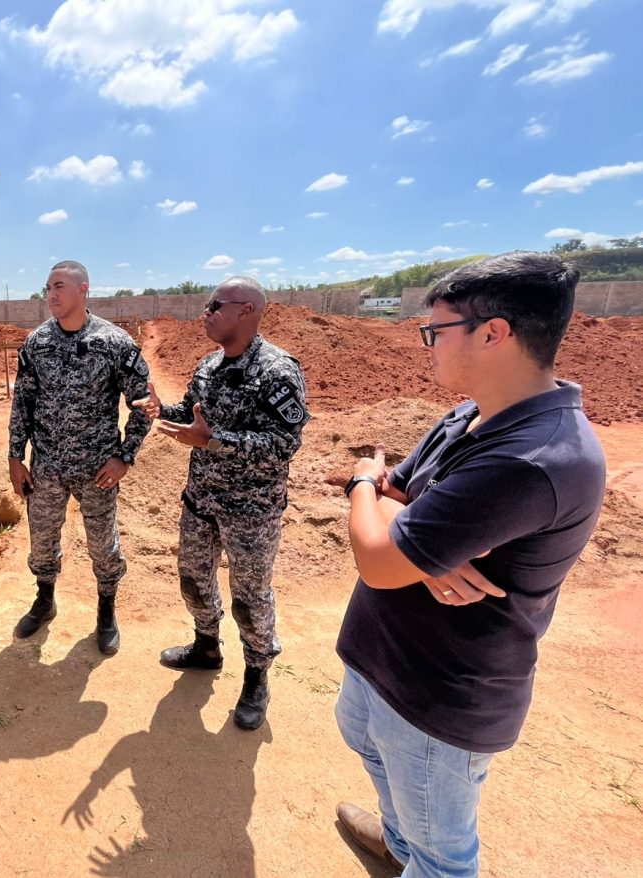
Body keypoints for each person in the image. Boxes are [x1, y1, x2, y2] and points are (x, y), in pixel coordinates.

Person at [334, 252, 606, 877]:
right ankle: (399, 845)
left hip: (439, 694)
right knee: (371, 751)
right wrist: (417, 542)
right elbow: (400, 495)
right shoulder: (472, 415)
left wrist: (360, 483)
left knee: (445, 857)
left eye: (436, 330)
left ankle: (417, 856)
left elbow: (376, 553)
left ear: (493, 333)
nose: (427, 344)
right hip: (390, 659)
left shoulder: (532, 458)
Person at [136, 277, 308, 730]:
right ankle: (206, 647)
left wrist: (214, 441)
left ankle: (256, 677)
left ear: (246, 310)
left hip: (251, 511)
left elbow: (284, 444)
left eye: (215, 305)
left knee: (250, 599)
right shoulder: (209, 366)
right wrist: (161, 409)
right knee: (194, 581)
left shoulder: (277, 371)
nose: (206, 313)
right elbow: (193, 414)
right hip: (201, 502)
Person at [8, 260, 152, 654]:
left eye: (59, 286)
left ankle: (106, 611)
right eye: (48, 287)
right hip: (47, 465)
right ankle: (44, 600)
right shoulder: (36, 343)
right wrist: (15, 456)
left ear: (83, 289)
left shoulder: (115, 343)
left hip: (98, 468)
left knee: (103, 544)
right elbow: (23, 402)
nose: (51, 294)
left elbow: (143, 404)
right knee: (41, 539)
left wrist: (125, 456)